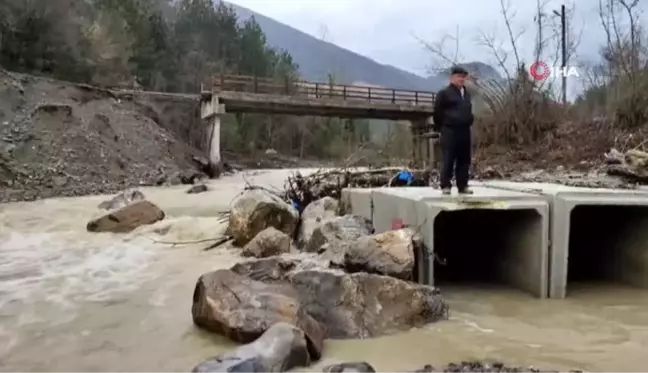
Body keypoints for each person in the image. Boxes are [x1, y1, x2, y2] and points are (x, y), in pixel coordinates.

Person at [432, 66, 474, 195]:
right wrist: (443, 126)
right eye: (458, 76)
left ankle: (463, 185)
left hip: (464, 130)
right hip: (450, 130)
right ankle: (446, 185)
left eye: (463, 76)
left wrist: (470, 119)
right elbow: (437, 113)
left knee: (464, 159)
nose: (461, 79)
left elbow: (468, 110)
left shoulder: (466, 94)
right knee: (449, 158)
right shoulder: (444, 93)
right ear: (452, 78)